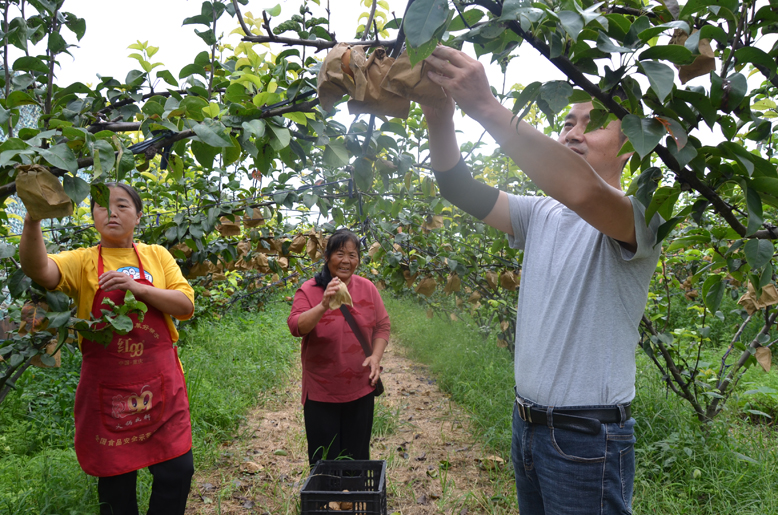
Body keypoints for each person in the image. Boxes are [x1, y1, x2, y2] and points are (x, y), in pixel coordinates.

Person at [421, 46, 662, 514]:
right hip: (526, 426)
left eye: (588, 121)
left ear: (632, 140)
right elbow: (457, 187)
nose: (571, 130)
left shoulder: (640, 219)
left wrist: (486, 107)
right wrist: (438, 115)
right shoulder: (540, 213)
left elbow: (585, 191)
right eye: (567, 121)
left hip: (588, 441)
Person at [19, 183, 196, 515]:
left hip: (161, 388)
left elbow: (185, 304)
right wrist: (32, 221)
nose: (111, 212)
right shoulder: (83, 261)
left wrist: (137, 289)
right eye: (102, 206)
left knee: (178, 470)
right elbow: (39, 269)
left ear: (139, 217)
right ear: (93, 217)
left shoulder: (157, 255)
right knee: (116, 484)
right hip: (109, 391)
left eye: (122, 205)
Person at [287, 229, 390, 465]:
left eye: (353, 255)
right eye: (340, 253)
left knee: (357, 459)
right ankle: (328, 501)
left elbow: (382, 325)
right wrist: (324, 304)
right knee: (325, 460)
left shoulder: (367, 288)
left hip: (360, 388)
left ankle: (351, 500)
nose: (346, 260)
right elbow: (296, 327)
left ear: (358, 260)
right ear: (327, 256)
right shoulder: (310, 290)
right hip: (322, 391)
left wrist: (375, 357)